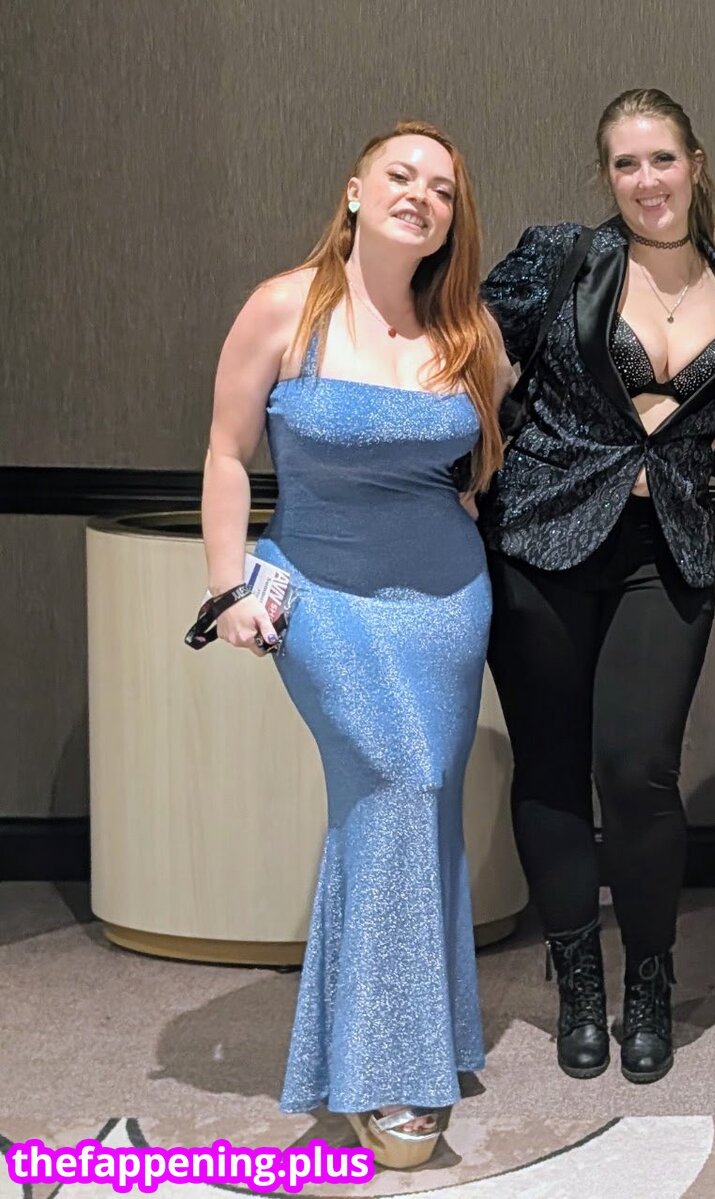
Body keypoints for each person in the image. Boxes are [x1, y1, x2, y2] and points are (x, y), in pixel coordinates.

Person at [199, 120, 506, 1167]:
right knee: (398, 777)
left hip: (447, 604)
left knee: (416, 808)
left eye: (443, 189)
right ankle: (388, 1070)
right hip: (321, 594)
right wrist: (227, 584)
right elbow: (227, 452)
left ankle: (422, 1034)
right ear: (356, 191)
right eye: (401, 176)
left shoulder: (466, 329)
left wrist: (462, 504)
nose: (422, 196)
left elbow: (477, 461)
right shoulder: (286, 306)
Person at [478, 88, 715, 1086]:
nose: (647, 180)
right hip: (542, 537)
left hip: (666, 541)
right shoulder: (560, 257)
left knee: (637, 766)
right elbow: (469, 362)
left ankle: (648, 974)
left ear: (696, 162)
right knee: (552, 764)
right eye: (626, 164)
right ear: (607, 175)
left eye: (663, 158)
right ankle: (577, 978)